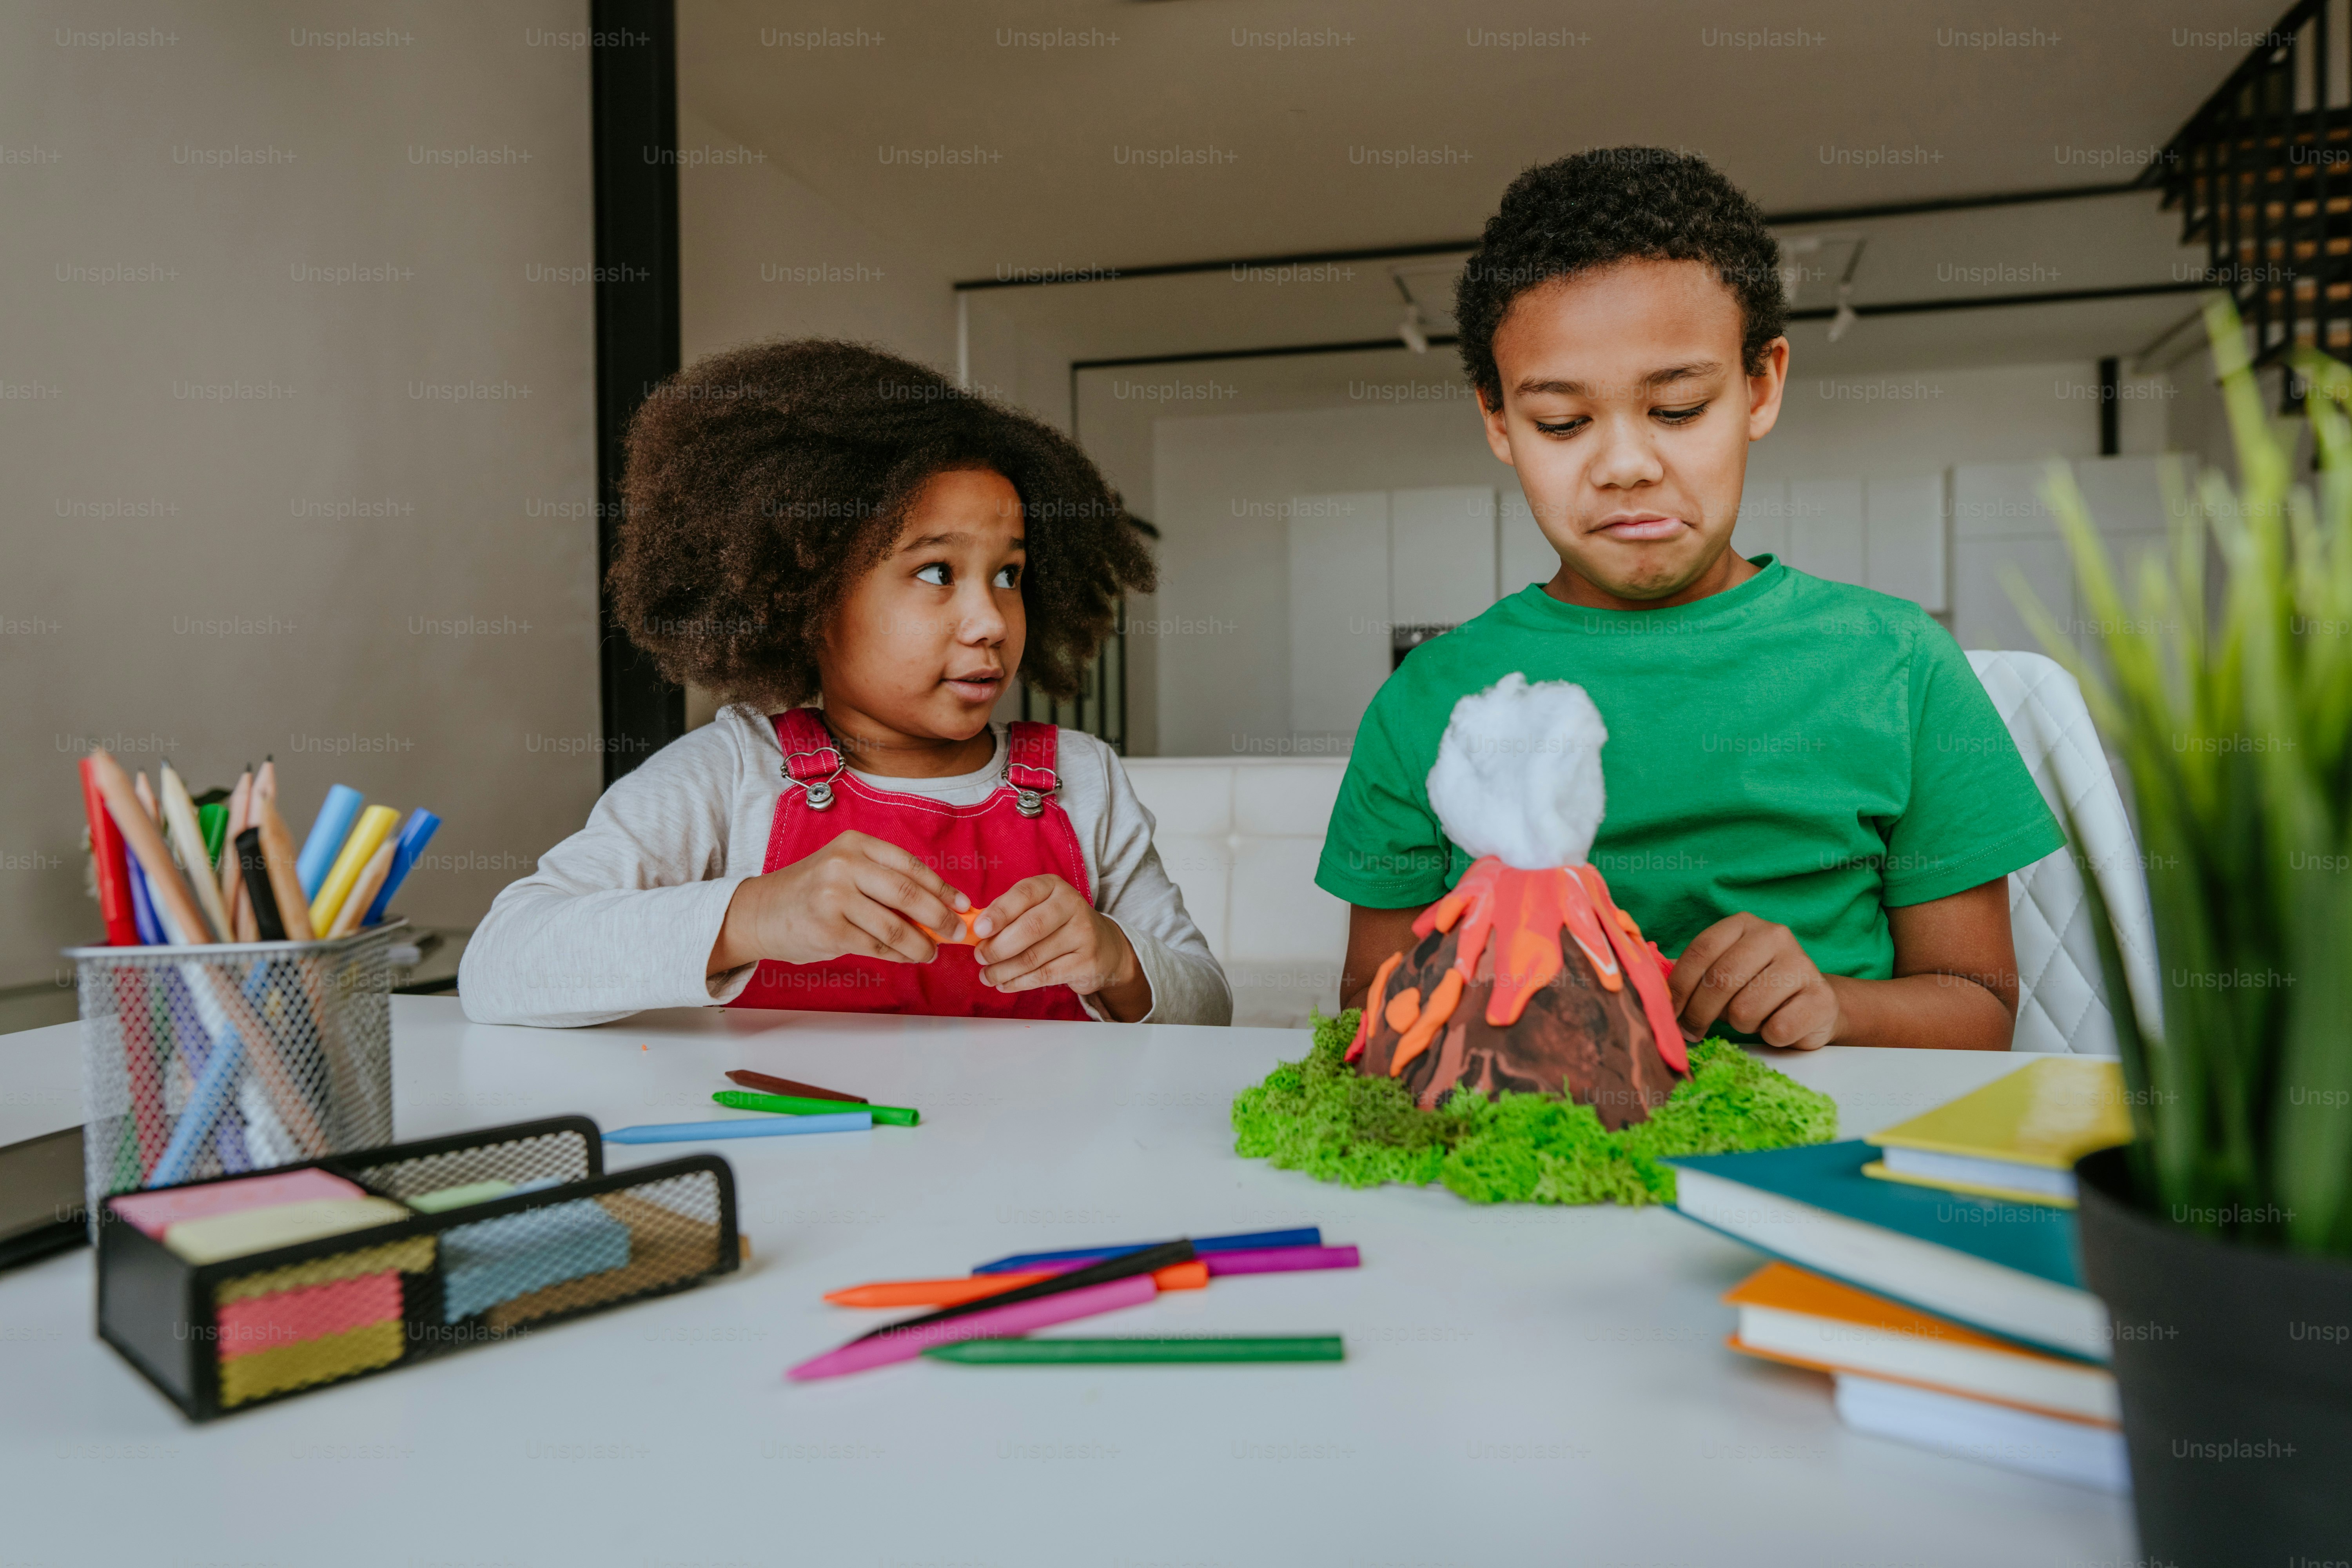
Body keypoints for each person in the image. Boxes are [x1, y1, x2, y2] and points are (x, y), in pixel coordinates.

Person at [1318, 148, 2063, 1051]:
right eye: (1561, 422)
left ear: (1759, 385)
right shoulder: (1428, 700)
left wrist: (1837, 1002)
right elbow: (1371, 1011)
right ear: (1498, 420)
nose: (1627, 465)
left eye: (1676, 409)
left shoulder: (1898, 663)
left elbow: (1981, 1004)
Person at [461, 340, 1229, 1028]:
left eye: (1009, 575)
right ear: (812, 597)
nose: (990, 621)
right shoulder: (732, 776)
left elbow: (1210, 1004)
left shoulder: (1083, 781)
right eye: (938, 572)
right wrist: (754, 912)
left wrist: (1118, 958)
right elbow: (498, 963)